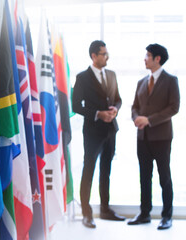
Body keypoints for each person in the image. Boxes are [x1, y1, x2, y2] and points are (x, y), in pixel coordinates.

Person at [72, 40, 124, 229]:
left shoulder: (111, 74)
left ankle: (105, 209)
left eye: (107, 53)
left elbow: (118, 99)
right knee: (89, 171)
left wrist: (115, 110)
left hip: (111, 131)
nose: (107, 56)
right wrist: (98, 114)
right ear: (94, 56)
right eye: (103, 53)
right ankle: (87, 214)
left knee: (106, 171)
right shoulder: (83, 77)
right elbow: (76, 105)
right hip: (93, 132)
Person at [129, 43, 180, 230]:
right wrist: (136, 119)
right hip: (142, 138)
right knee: (144, 176)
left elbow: (174, 108)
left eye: (148, 55)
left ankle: (167, 216)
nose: (145, 58)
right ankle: (144, 213)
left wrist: (148, 119)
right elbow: (134, 107)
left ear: (158, 58)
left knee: (164, 176)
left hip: (162, 137)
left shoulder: (171, 80)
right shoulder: (141, 82)